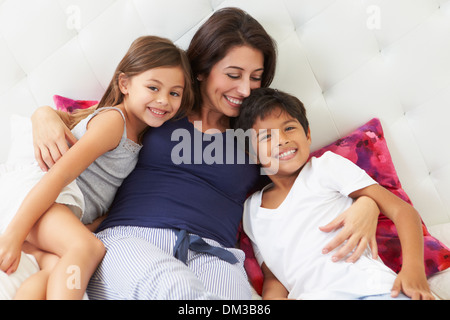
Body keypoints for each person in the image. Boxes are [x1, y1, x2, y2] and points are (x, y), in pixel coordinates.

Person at [29, 8, 381, 300]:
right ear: (201, 69)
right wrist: (42, 115)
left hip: (216, 255)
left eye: (256, 77)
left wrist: (367, 202)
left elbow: (306, 183)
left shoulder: (258, 137)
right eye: (233, 74)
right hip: (131, 239)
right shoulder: (163, 106)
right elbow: (94, 118)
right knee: (176, 290)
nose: (245, 89)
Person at [0, 35, 193, 300]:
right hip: (39, 199)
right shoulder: (114, 123)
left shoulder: (142, 137)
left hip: (57, 212)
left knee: (54, 269)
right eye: (153, 87)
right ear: (125, 84)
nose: (163, 100)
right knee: (88, 248)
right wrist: (13, 234)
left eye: (174, 93)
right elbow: (60, 175)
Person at [235, 87, 435, 300]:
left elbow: (402, 211)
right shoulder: (251, 211)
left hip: (372, 289)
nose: (282, 140)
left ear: (308, 134)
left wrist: (413, 272)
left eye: (290, 128)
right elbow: (274, 278)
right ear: (253, 155)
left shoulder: (326, 167)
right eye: (267, 136)